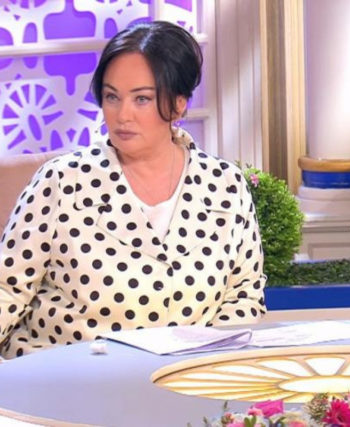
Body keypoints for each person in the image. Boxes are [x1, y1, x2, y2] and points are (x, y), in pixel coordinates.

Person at [0, 21, 266, 358]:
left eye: (142, 99)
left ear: (179, 104)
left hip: (183, 380)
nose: (122, 115)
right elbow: (7, 289)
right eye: (112, 97)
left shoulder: (225, 187)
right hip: (62, 375)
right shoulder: (62, 182)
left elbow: (243, 297)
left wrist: (208, 369)